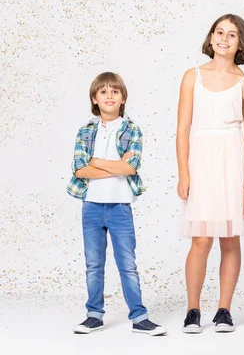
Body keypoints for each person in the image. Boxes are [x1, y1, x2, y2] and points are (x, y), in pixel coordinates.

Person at [176, 14, 244, 333]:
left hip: (233, 161)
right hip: (201, 161)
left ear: (241, 43)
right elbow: (183, 128)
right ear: (211, 38)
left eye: (232, 34)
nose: (224, 38)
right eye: (219, 32)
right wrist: (184, 173)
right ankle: (193, 309)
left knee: (229, 238)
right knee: (200, 239)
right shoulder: (192, 77)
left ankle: (224, 309)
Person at [67, 72, 167, 336]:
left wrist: (96, 161)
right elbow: (79, 170)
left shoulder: (131, 129)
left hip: (120, 207)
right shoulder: (86, 131)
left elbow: (130, 166)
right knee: (93, 264)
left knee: (127, 264)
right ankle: (94, 315)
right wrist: (117, 166)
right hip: (91, 206)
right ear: (94, 98)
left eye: (115, 92)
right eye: (103, 92)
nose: (109, 96)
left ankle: (139, 317)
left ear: (122, 98)